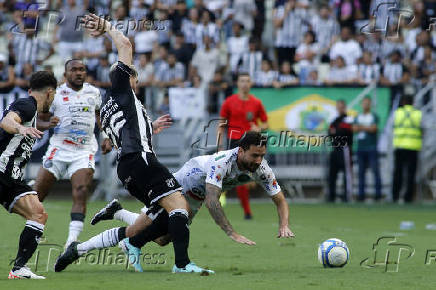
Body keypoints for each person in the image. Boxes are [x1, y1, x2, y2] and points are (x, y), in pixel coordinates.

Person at [54, 13, 212, 274]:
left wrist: (151, 128)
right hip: (141, 160)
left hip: (126, 168)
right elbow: (125, 44)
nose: (136, 81)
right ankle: (182, 265)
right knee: (180, 207)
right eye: (134, 77)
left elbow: (116, 139)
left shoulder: (107, 108)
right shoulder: (121, 86)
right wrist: (106, 27)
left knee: (149, 229)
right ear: (127, 78)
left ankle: (78, 249)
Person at [85, 132, 295, 272]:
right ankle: (86, 247)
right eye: (254, 155)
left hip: (197, 196)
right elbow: (213, 200)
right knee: (136, 231)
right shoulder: (222, 162)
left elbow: (280, 200)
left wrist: (284, 224)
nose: (258, 161)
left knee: (163, 239)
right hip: (181, 184)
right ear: (241, 151)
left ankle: (118, 212)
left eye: (262, 156)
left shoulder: (262, 169)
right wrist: (231, 232)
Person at [33, 59, 112, 249]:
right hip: (58, 149)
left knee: (81, 190)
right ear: (65, 74)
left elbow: (99, 115)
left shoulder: (94, 92)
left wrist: (107, 135)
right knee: (37, 197)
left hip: (84, 150)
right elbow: (38, 120)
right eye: (74, 70)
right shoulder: (55, 94)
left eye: (82, 70)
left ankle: (72, 240)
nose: (79, 73)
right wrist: (47, 124)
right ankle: (34, 231)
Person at [1, 71, 57, 279]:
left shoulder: (29, 109)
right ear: (50, 93)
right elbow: (7, 121)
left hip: (11, 177)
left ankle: (18, 269)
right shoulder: (28, 105)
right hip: (1, 170)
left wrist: (37, 126)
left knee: (38, 213)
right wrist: (18, 128)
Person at [218, 72, 268, 219]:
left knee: (245, 178)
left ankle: (225, 193)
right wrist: (220, 144)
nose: (245, 83)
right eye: (242, 81)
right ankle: (247, 211)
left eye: (247, 81)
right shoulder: (229, 102)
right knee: (240, 177)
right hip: (235, 144)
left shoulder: (256, 103)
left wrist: (259, 128)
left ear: (251, 83)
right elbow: (221, 124)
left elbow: (265, 122)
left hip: (252, 144)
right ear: (238, 84)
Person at [392, 95, 422, 203]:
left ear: (403, 102)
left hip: (399, 146)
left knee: (397, 173)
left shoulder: (397, 113)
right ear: (413, 102)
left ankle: (395, 196)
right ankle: (407, 198)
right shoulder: (418, 113)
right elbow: (423, 128)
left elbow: (392, 127)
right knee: (411, 174)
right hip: (413, 146)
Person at [353, 97, 382, 201]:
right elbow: (354, 129)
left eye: (367, 103)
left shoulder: (373, 116)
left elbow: (374, 128)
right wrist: (367, 127)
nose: (365, 105)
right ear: (361, 104)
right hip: (360, 148)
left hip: (371, 147)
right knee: (361, 173)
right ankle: (361, 195)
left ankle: (378, 195)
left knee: (375, 171)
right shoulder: (358, 116)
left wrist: (361, 127)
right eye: (364, 103)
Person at [327, 100, 354, 202]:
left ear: (345, 107)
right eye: (338, 107)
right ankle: (331, 196)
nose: (340, 109)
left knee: (346, 173)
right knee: (332, 173)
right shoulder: (335, 120)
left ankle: (347, 196)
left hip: (345, 149)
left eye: (341, 107)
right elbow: (330, 132)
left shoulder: (348, 119)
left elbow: (344, 132)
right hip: (335, 149)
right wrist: (337, 131)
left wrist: (336, 131)